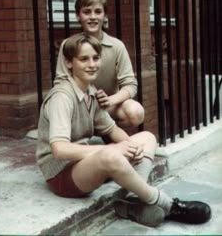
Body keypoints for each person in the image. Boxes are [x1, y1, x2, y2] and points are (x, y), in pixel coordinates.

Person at [36, 33, 211, 228]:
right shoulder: (62, 96)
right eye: (83, 59)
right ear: (69, 63)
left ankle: (133, 200)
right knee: (110, 153)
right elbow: (60, 149)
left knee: (146, 138)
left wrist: (130, 147)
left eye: (95, 58)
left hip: (86, 163)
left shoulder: (90, 92)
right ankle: (166, 204)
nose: (92, 64)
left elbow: (112, 128)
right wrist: (115, 149)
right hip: (62, 174)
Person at [55, 0, 144, 131]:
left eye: (98, 11)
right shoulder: (68, 45)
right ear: (78, 16)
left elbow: (130, 85)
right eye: (86, 12)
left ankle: (108, 132)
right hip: (79, 107)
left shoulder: (117, 46)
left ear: (105, 15)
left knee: (135, 112)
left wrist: (109, 100)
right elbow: (61, 82)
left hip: (107, 107)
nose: (93, 17)